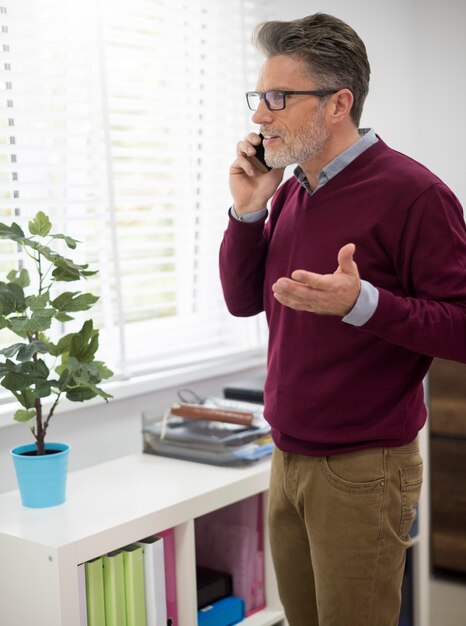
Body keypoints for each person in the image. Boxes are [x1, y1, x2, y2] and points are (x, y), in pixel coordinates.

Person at [219, 12, 466, 626]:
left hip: (363, 470)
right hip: (287, 457)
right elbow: (243, 300)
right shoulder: (294, 188)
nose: (259, 115)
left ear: (337, 104)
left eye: (278, 98)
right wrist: (248, 212)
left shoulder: (414, 193)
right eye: (259, 97)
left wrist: (363, 304)